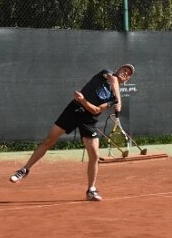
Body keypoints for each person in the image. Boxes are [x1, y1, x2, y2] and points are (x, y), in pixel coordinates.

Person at [9, 64, 135, 201]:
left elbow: (96, 110)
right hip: (73, 111)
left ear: (127, 80)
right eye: (124, 70)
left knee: (94, 155)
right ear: (118, 69)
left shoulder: (111, 99)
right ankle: (24, 170)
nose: (126, 73)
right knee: (49, 140)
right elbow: (114, 80)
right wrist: (119, 100)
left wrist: (83, 100)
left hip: (89, 119)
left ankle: (91, 190)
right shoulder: (106, 74)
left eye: (129, 74)